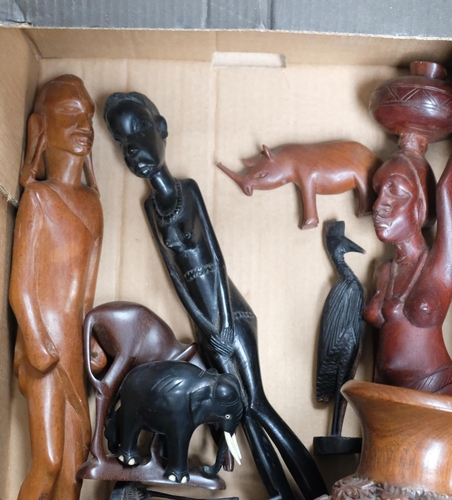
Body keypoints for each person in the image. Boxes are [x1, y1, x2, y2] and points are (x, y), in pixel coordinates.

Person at [103, 91, 327, 500]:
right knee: (246, 411)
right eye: (122, 141)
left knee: (256, 404)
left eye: (140, 130)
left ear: (162, 129)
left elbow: (217, 263)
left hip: (231, 315)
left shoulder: (187, 191)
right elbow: (177, 280)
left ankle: (309, 488)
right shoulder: (152, 209)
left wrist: (221, 326)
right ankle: (284, 492)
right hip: (208, 324)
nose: (132, 148)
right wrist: (205, 329)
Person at [10, 75, 106, 500]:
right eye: (70, 113)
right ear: (41, 127)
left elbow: (86, 294)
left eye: (88, 115)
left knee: (73, 466)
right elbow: (20, 287)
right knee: (47, 461)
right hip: (43, 341)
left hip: (72, 342)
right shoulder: (38, 199)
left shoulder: (94, 206)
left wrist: (92, 340)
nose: (84, 124)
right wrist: (34, 338)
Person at [364, 126, 452, 397]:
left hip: (435, 390)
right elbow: (377, 353)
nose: (378, 205)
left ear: (421, 205)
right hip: (387, 395)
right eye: (378, 191)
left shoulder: (439, 265)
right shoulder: (383, 271)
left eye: (396, 191)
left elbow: (445, 188)